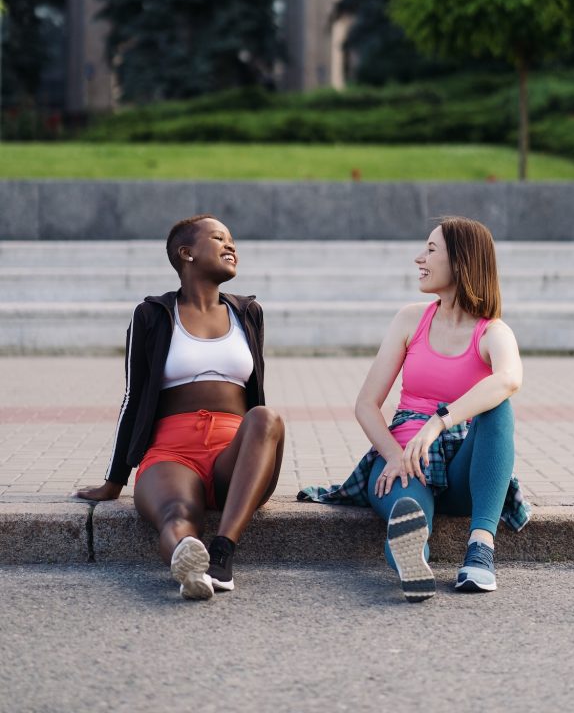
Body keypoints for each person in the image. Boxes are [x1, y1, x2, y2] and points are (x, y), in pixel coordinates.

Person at [298, 216, 530, 601]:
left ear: (461, 261)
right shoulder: (411, 319)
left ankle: (480, 550)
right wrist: (393, 456)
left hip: (463, 472)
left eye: (431, 250)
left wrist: (439, 422)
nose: (418, 258)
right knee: (408, 514)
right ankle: (413, 565)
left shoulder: (492, 332)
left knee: (498, 405)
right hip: (404, 462)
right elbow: (366, 404)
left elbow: (508, 379)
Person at [75, 214, 285, 601]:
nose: (231, 246)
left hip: (234, 455)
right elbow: (133, 396)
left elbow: (256, 396)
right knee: (176, 517)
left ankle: (222, 555)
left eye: (232, 240)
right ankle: (186, 563)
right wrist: (114, 480)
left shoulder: (247, 313)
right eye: (219, 238)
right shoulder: (152, 315)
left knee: (265, 418)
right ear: (186, 253)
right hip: (171, 453)